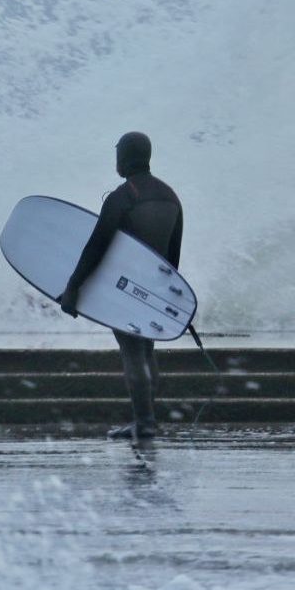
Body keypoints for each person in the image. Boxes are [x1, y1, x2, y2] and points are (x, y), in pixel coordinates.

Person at [59, 131, 183, 441]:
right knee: (147, 351)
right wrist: (166, 298)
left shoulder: (123, 196)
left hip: (126, 287)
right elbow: (173, 257)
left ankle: (144, 422)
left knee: (131, 352)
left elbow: (97, 246)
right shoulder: (171, 196)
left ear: (124, 157)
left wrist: (74, 287)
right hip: (155, 288)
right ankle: (147, 419)